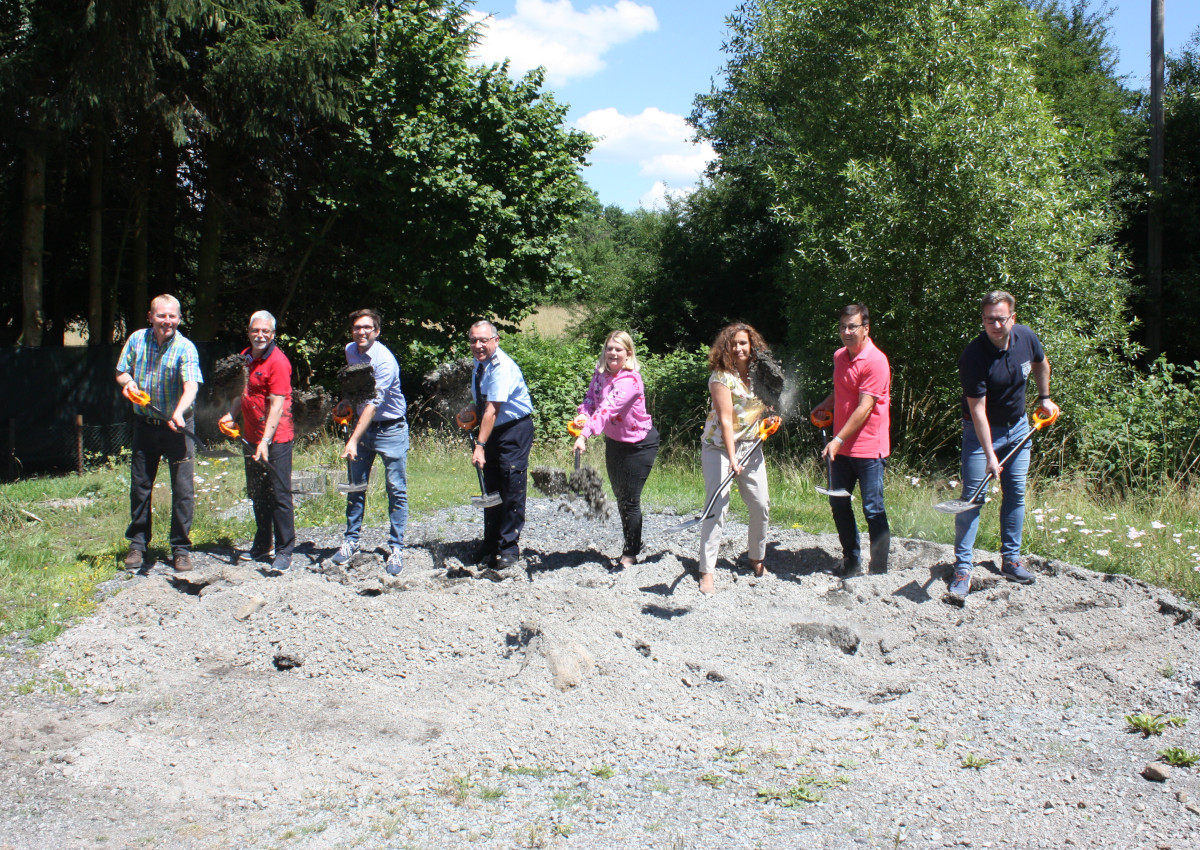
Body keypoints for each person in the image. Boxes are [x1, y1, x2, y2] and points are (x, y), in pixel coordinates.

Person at [949, 291, 1060, 601]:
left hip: (1020, 427)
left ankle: (1011, 560)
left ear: (1013, 317)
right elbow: (978, 411)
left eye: (1001, 318)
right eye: (989, 320)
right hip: (981, 432)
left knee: (1015, 494)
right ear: (982, 320)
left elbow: (1041, 364)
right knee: (973, 498)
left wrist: (1045, 399)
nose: (995, 325)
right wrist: (989, 455)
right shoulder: (974, 356)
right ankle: (963, 569)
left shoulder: (1026, 337)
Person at [115, 294, 204, 572]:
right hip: (145, 425)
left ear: (179, 318)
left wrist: (178, 412)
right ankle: (138, 545)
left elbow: (191, 385)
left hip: (178, 426)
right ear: (150, 316)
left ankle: (181, 548)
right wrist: (128, 383)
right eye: (162, 315)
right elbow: (121, 372)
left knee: (183, 490)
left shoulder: (185, 347)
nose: (168, 321)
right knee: (140, 487)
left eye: (173, 316)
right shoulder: (136, 340)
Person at [811, 304, 892, 576]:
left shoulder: (876, 361)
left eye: (852, 326)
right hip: (843, 447)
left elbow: (865, 407)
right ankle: (851, 560)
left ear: (866, 328)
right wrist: (825, 405)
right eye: (843, 326)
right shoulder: (839, 357)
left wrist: (838, 440)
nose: (847, 332)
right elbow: (842, 391)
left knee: (873, 509)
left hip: (869, 448)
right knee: (838, 502)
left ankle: (879, 569)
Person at [330, 309, 409, 576]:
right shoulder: (350, 350)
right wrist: (346, 403)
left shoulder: (385, 361)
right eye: (356, 327)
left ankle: (396, 547)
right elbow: (357, 389)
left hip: (391, 429)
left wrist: (352, 440)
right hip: (363, 426)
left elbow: (374, 404)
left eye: (367, 327)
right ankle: (351, 541)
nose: (361, 332)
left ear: (377, 332)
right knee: (355, 486)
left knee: (396, 488)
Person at [572, 331, 660, 568]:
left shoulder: (631, 381)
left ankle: (630, 553)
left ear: (628, 353)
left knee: (630, 499)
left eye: (618, 349)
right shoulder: (600, 374)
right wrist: (583, 414)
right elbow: (592, 399)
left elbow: (607, 409)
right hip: (615, 442)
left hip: (639, 444)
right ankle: (634, 541)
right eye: (609, 348)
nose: (613, 353)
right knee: (621, 498)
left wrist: (584, 435)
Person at [697, 322, 771, 596]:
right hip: (719, 447)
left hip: (751, 446)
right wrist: (732, 458)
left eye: (743, 343)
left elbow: (768, 406)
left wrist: (772, 418)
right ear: (726, 347)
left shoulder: (760, 374)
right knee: (718, 506)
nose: (739, 348)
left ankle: (757, 557)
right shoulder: (721, 377)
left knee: (761, 503)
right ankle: (707, 571)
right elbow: (726, 421)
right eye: (734, 343)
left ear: (752, 346)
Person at [218, 311, 295, 572]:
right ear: (249, 332)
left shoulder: (279, 362)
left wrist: (265, 441)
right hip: (249, 436)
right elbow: (242, 391)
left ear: (273, 335)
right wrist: (231, 414)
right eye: (255, 330)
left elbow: (277, 406)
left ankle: (285, 550)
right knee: (258, 494)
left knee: (279, 493)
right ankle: (263, 545)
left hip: (277, 439)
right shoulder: (246, 357)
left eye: (266, 331)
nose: (260, 335)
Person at [458, 320, 534, 569]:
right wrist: (471, 409)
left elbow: (492, 410)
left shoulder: (501, 367)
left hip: (513, 430)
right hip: (492, 428)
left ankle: (508, 549)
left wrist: (479, 446)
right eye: (473, 340)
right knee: (490, 487)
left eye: (483, 340)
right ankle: (490, 545)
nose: (478, 345)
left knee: (510, 486)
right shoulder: (480, 364)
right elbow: (483, 400)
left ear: (496, 340)